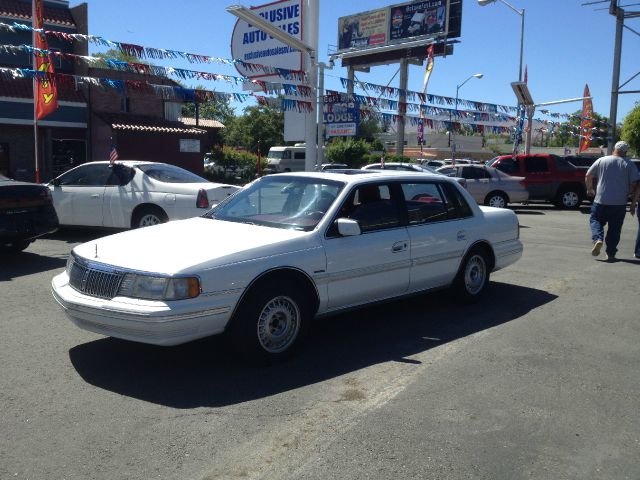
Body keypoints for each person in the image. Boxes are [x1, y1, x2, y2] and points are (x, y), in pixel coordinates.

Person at [585, 141, 639, 261]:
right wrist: (630, 195)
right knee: (615, 229)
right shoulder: (629, 164)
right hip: (619, 203)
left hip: (601, 200)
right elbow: (634, 183)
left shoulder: (602, 160)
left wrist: (590, 189)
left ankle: (598, 239)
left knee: (595, 220)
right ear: (626, 151)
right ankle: (610, 253)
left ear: (614, 148)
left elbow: (588, 175)